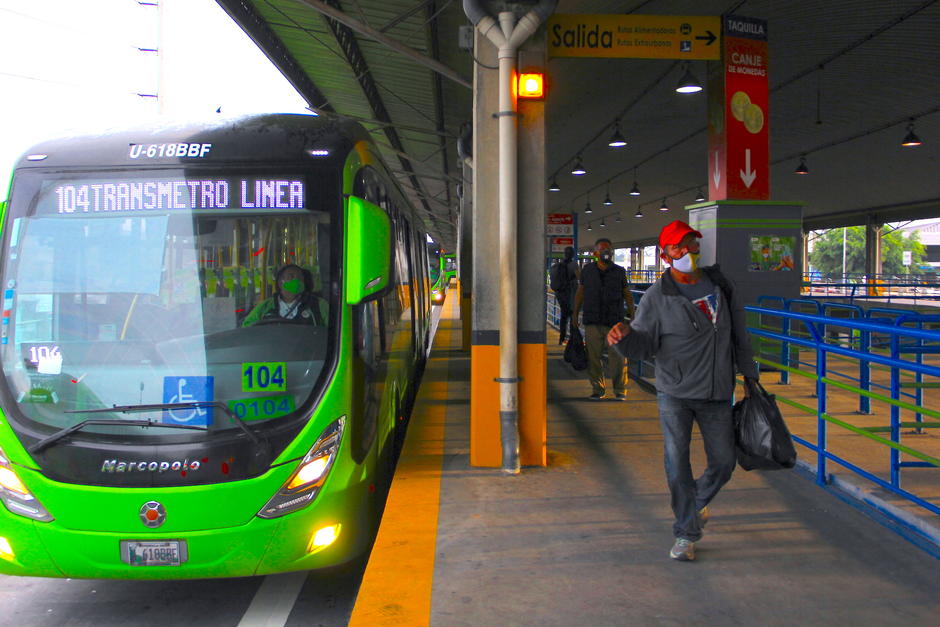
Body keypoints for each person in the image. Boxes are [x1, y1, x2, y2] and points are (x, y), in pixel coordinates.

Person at [607, 220, 759, 562]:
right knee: (677, 463)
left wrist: (750, 377)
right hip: (675, 392)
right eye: (678, 247)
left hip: (718, 390)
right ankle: (686, 533)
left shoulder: (721, 286)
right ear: (665, 255)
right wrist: (623, 340)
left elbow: (740, 336)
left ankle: (696, 502)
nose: (687, 251)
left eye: (691, 243)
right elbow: (644, 347)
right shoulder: (658, 297)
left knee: (724, 462)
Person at [573, 238, 635, 400]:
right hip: (592, 320)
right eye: (602, 250)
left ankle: (620, 390)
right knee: (593, 358)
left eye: (609, 250)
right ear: (595, 254)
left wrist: (632, 313)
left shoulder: (619, 271)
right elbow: (580, 293)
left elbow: (627, 293)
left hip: (615, 321)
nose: (606, 253)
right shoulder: (587, 271)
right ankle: (598, 389)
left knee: (619, 358)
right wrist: (575, 314)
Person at [242, 264, 325, 327]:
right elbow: (247, 328)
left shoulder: (318, 304)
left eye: (300, 277)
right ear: (280, 282)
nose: (296, 280)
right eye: (291, 276)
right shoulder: (265, 307)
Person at [551, 246, 580, 344]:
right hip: (570, 294)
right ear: (572, 254)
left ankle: (561, 338)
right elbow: (579, 277)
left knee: (563, 316)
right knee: (573, 315)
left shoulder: (558, 265)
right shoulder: (573, 265)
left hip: (560, 294)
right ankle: (572, 338)